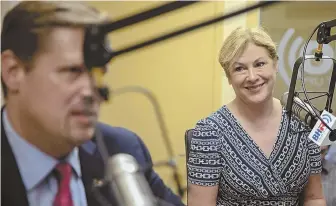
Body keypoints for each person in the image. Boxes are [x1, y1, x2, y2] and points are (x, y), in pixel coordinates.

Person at [1, 2, 184, 206]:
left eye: (99, 74)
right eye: (72, 71)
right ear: (13, 71)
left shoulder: (122, 150)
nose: (90, 92)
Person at [187, 27, 326, 206]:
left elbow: (314, 198)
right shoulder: (210, 133)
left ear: (275, 64)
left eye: (260, 64)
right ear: (229, 78)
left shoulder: (304, 121)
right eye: (239, 69)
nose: (252, 77)